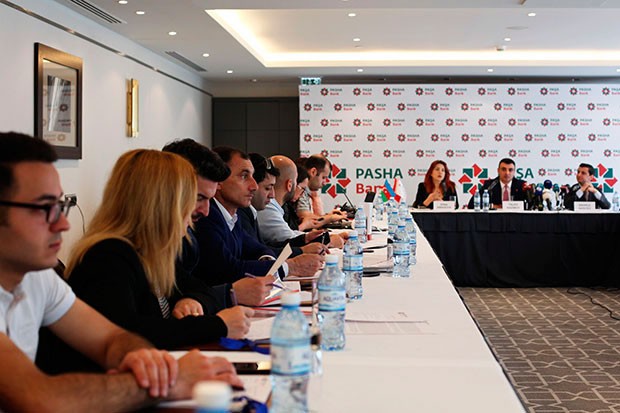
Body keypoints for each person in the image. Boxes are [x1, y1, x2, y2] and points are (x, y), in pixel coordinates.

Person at [0, 132, 241, 411]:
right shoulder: (107, 256)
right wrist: (171, 381)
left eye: (60, 206)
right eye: (44, 208)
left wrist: (143, 360)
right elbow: (42, 398)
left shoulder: (38, 277)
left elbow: (112, 338)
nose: (63, 225)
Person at [53, 149, 253, 374]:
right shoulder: (108, 257)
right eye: (190, 199)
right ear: (163, 203)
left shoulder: (151, 253)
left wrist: (190, 300)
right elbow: (127, 335)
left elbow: (201, 289)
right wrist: (217, 325)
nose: (198, 213)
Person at [163, 139, 272, 307]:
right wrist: (231, 294)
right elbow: (225, 271)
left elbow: (194, 292)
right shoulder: (124, 253)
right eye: (198, 197)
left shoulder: (183, 237)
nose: (205, 211)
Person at [192, 147, 322, 286]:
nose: (254, 186)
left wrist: (266, 260)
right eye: (244, 176)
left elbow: (258, 248)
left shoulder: (233, 215)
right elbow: (227, 269)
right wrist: (290, 267)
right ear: (219, 180)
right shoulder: (206, 216)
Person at [257, 155, 341, 250]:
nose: (272, 194)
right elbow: (289, 238)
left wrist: (316, 236)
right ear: (289, 185)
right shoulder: (267, 208)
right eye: (268, 187)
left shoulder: (274, 207)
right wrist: (327, 240)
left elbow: (291, 234)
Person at [296, 154, 346, 224]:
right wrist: (330, 218)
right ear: (313, 172)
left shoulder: (307, 190)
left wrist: (328, 216)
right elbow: (307, 219)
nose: (325, 183)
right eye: (323, 177)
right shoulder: (300, 190)